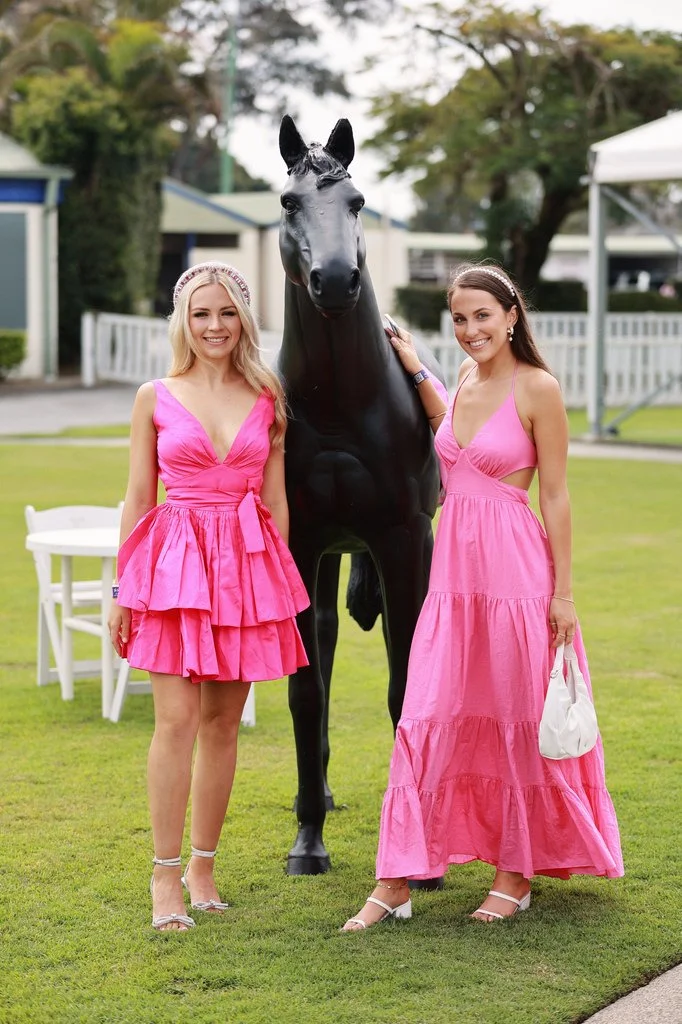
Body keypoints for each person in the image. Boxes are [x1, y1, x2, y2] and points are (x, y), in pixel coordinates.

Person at [342, 263, 623, 930]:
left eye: (483, 316)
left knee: (514, 717)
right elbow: (454, 433)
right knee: (426, 713)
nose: (471, 330)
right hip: (454, 583)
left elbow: (555, 495)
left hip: (516, 580)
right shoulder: (466, 378)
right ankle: (395, 879)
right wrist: (417, 368)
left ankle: (514, 876)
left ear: (512, 315)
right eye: (460, 319)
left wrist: (564, 595)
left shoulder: (539, 388)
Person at [108, 262, 309, 932]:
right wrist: (122, 590)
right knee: (175, 722)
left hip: (245, 573)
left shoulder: (267, 396)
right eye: (201, 313)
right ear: (183, 321)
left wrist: (273, 587)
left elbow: (276, 501)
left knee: (224, 724)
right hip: (174, 572)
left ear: (243, 320)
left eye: (226, 313)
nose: (215, 326)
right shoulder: (154, 396)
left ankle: (202, 868)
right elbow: (139, 497)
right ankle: (164, 876)